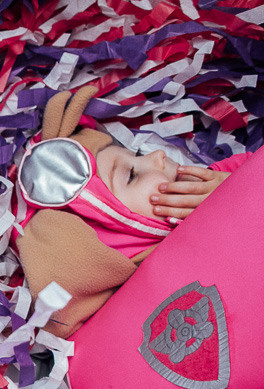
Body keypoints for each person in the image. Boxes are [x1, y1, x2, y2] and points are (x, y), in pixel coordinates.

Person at [15, 85, 249, 338]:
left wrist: (238, 186)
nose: (157, 155)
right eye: (132, 175)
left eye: (137, 154)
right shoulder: (131, 292)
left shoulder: (213, 181)